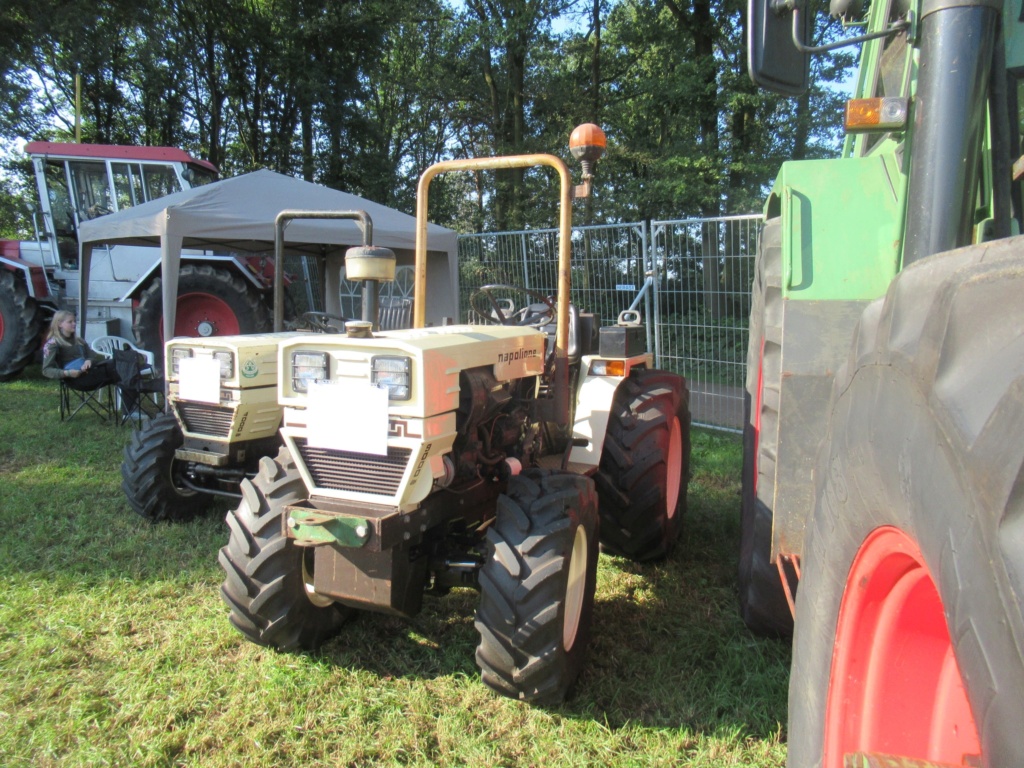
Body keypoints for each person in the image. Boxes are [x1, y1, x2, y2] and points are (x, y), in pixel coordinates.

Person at [41, 310, 120, 390]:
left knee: (120, 365)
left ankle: (128, 400)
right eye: (70, 322)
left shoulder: (79, 341)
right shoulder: (52, 344)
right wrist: (67, 373)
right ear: (59, 324)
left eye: (75, 321)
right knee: (118, 367)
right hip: (75, 379)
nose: (74, 324)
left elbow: (91, 355)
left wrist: (88, 360)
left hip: (90, 372)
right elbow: (46, 370)